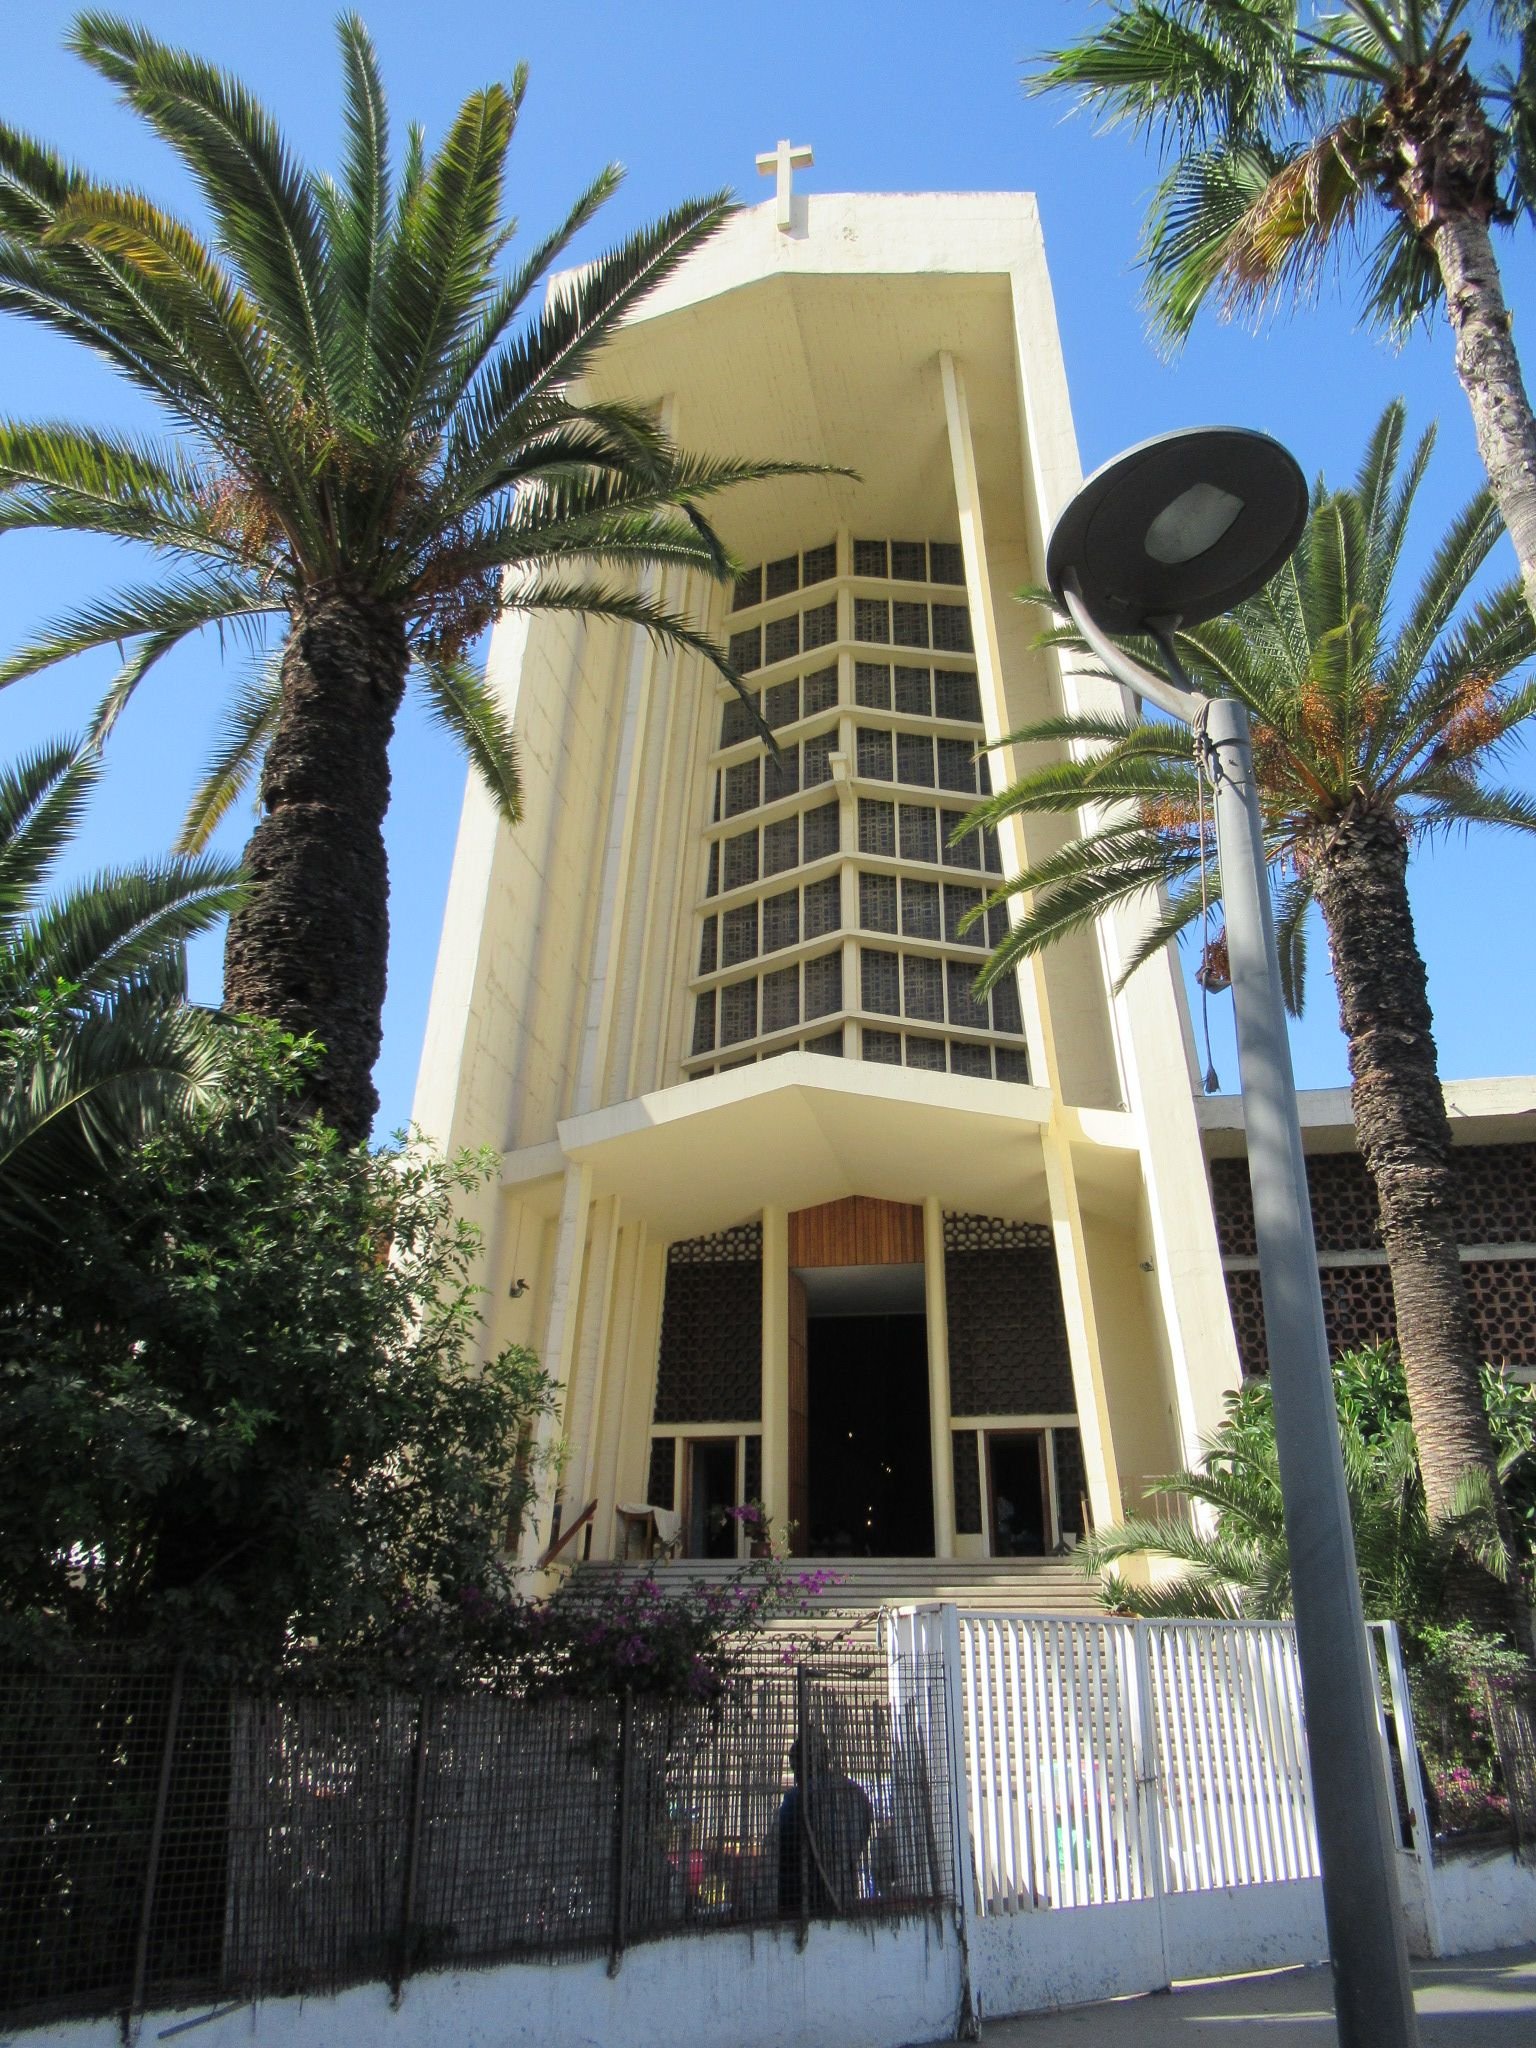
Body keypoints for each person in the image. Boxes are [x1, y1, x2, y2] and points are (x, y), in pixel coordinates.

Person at [776, 1732, 873, 1919]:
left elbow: (784, 1849)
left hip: (806, 1897)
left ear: (799, 1765)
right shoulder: (856, 1793)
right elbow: (862, 1835)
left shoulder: (796, 1799)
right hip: (845, 1892)